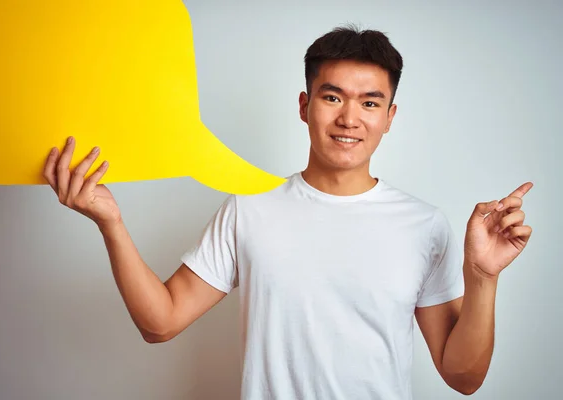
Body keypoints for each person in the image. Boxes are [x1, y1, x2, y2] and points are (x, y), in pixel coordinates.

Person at [42, 26, 533, 400]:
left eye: (370, 102)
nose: (349, 118)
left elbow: (463, 377)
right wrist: (111, 222)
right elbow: (161, 322)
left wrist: (482, 276)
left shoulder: (424, 226)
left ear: (389, 117)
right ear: (305, 105)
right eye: (333, 96)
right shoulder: (248, 207)